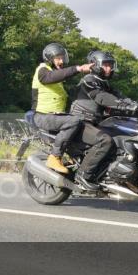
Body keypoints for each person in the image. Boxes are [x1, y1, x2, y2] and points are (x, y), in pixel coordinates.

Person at [70, 50, 138, 192]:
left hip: (94, 122)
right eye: (106, 65)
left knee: (121, 137)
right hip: (81, 122)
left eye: (110, 65)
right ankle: (83, 175)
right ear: (95, 64)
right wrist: (124, 105)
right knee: (105, 140)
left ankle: (115, 175)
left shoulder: (104, 83)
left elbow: (119, 96)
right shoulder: (89, 80)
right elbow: (101, 97)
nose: (109, 68)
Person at [31, 43, 93, 177]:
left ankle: (75, 160)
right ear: (49, 58)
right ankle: (55, 157)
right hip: (42, 116)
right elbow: (51, 77)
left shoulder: (56, 78)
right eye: (58, 58)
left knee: (83, 121)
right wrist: (78, 68)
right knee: (73, 121)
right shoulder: (42, 71)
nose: (61, 61)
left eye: (62, 58)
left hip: (54, 117)